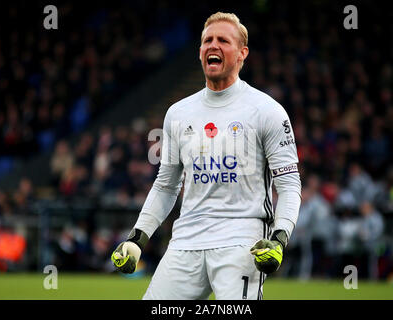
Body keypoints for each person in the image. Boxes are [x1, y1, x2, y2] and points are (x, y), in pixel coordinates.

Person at [111, 12, 301, 300]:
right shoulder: (178, 113)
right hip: (186, 239)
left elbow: (288, 185)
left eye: (223, 40)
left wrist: (279, 238)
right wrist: (138, 237)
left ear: (242, 54)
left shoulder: (267, 111)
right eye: (207, 41)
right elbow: (166, 186)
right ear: (200, 52)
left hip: (242, 241)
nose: (213, 45)